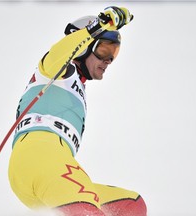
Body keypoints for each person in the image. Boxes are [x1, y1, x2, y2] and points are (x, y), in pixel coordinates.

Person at [8, 6, 147, 216]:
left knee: (131, 206)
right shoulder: (58, 71)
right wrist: (96, 27)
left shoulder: (77, 86)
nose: (108, 60)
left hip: (48, 170)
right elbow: (59, 52)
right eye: (104, 50)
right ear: (84, 47)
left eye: (114, 53)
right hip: (40, 158)